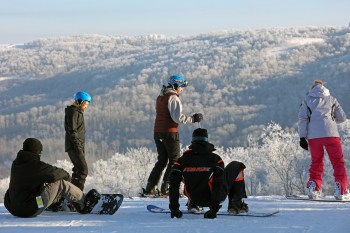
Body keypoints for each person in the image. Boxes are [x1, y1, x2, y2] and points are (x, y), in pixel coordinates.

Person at [4, 138, 100, 217]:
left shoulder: (16, 163)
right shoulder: (36, 166)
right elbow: (55, 173)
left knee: (39, 182)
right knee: (60, 183)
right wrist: (68, 179)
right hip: (29, 209)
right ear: (37, 151)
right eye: (40, 152)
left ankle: (55, 203)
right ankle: (84, 203)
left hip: (13, 208)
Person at [143, 75, 203, 196]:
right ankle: (168, 188)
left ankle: (150, 188)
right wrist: (192, 119)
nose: (182, 89)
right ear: (175, 86)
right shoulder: (173, 98)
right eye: (181, 87)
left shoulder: (161, 96)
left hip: (158, 132)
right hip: (169, 132)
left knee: (162, 161)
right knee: (175, 160)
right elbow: (177, 117)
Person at [168, 128, 248, 219]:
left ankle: (193, 204)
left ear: (193, 141)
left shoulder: (181, 160)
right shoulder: (216, 159)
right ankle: (235, 205)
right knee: (236, 166)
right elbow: (217, 184)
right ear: (206, 140)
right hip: (213, 198)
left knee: (189, 176)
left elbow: (173, 184)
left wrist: (174, 209)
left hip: (193, 196)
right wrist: (213, 209)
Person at [298, 80, 348, 200]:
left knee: (316, 162)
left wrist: (302, 137)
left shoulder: (307, 100)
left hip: (314, 137)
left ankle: (313, 188)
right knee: (337, 162)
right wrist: (331, 118)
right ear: (323, 87)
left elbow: (302, 118)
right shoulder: (332, 99)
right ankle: (341, 189)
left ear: (312, 88)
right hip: (331, 134)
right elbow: (342, 118)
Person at [64, 91, 92, 191]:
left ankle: (72, 194)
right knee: (83, 170)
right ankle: (76, 196)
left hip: (77, 145)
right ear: (80, 101)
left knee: (78, 171)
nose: (86, 106)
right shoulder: (73, 112)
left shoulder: (77, 112)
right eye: (86, 104)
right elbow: (72, 130)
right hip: (74, 146)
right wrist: (77, 146)